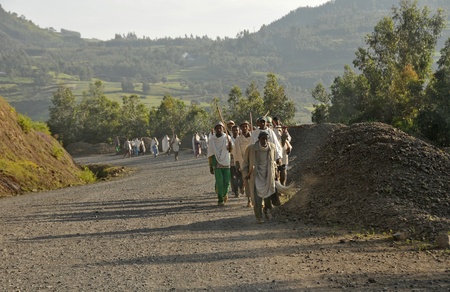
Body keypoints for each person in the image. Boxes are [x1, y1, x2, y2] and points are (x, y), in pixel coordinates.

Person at [242, 131, 295, 223]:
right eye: (263, 139)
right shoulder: (251, 149)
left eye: (266, 139)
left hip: (268, 176)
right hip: (256, 177)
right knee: (257, 199)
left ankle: (266, 210)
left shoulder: (272, 147)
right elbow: (245, 164)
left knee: (268, 198)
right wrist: (246, 175)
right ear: (259, 139)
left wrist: (275, 173)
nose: (265, 141)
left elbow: (273, 162)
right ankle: (259, 217)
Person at [207, 122, 233, 206]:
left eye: (220, 128)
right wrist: (211, 165)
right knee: (219, 182)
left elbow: (231, 150)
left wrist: (230, 145)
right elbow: (210, 153)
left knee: (226, 182)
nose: (218, 129)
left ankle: (224, 194)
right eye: (217, 128)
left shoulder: (227, 137)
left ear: (223, 128)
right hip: (216, 162)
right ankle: (220, 199)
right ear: (215, 130)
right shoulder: (212, 140)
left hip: (226, 162)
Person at [234, 121, 253, 207]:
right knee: (247, 181)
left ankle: (257, 199)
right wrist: (237, 165)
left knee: (255, 181)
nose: (244, 128)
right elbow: (236, 153)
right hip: (243, 163)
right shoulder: (238, 139)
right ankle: (249, 199)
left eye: (246, 126)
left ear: (248, 127)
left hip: (253, 162)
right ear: (240, 129)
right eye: (243, 127)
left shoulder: (253, 137)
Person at [272, 117, 292, 186]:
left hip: (283, 152)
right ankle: (277, 188)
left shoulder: (282, 129)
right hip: (275, 152)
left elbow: (288, 138)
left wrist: (285, 132)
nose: (276, 123)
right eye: (275, 122)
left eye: (277, 121)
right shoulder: (271, 130)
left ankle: (283, 185)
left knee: (283, 170)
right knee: (275, 171)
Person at [229, 125, 243, 198]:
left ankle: (241, 188)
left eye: (236, 130)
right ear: (231, 131)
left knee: (241, 177)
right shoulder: (229, 139)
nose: (235, 132)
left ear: (239, 131)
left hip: (240, 161)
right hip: (232, 161)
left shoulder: (241, 139)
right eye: (233, 130)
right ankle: (236, 192)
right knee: (234, 177)